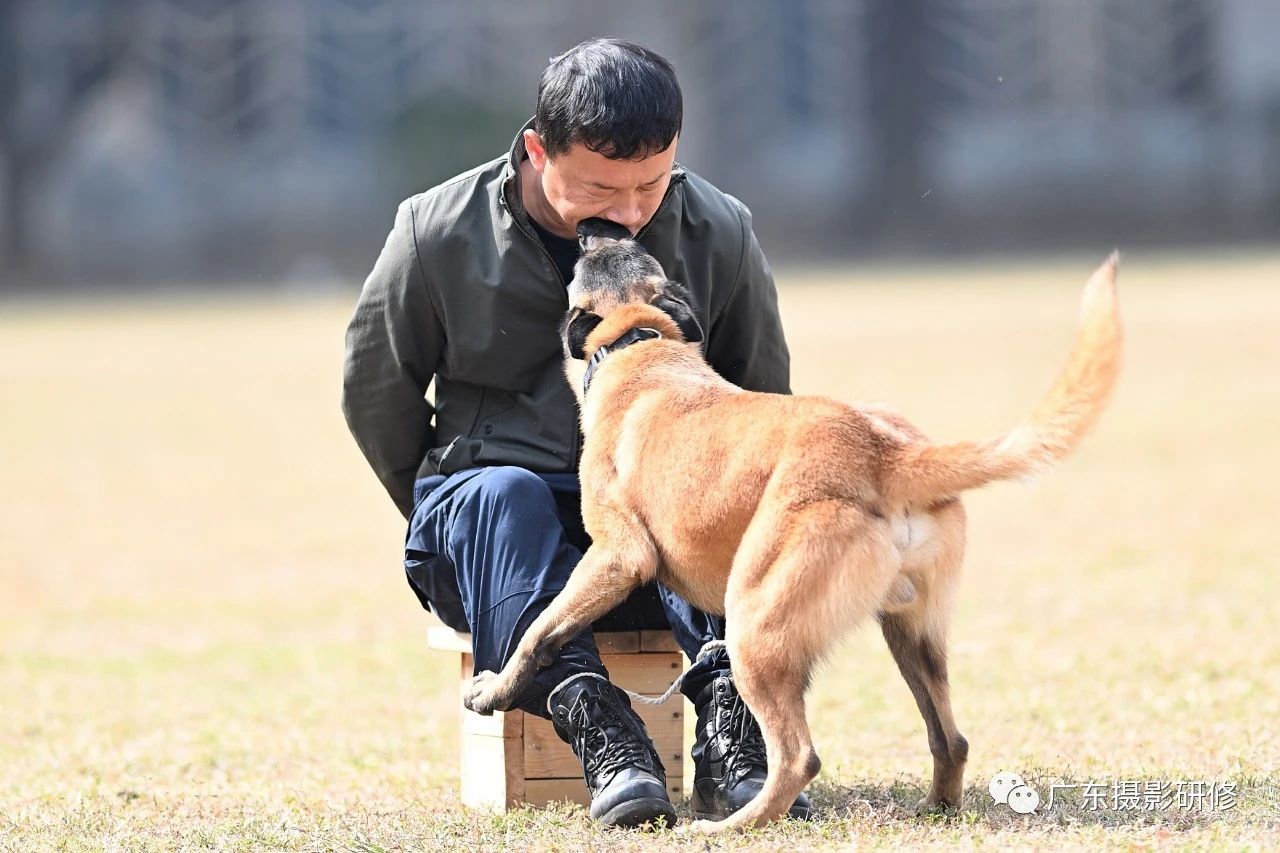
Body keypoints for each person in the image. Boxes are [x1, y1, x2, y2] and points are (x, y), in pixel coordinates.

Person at [341, 38, 806, 827]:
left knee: (713, 484)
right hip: (506, 532)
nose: (627, 213)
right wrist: (449, 522)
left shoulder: (720, 230)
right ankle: (605, 737)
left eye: (649, 186)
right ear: (537, 149)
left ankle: (735, 731)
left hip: (662, 544)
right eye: (598, 187)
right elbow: (374, 391)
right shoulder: (435, 232)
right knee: (498, 494)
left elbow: (762, 411)